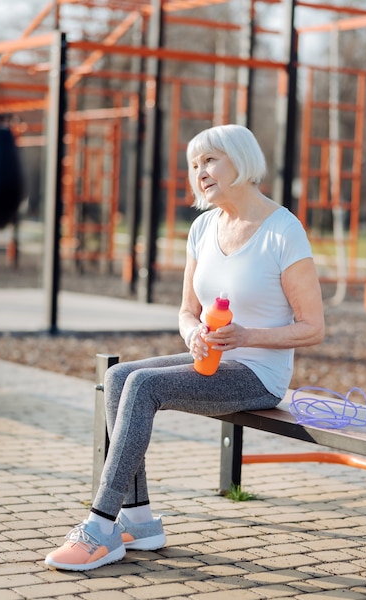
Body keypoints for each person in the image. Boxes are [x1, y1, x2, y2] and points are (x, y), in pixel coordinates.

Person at [45, 124, 325, 571]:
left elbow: (313, 328)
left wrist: (247, 336)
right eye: (194, 165)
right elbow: (185, 312)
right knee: (119, 377)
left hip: (258, 373)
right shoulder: (202, 228)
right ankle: (139, 521)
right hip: (211, 359)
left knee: (142, 387)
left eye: (210, 160)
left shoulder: (282, 231)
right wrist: (193, 331)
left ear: (242, 160)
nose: (200, 172)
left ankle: (100, 527)